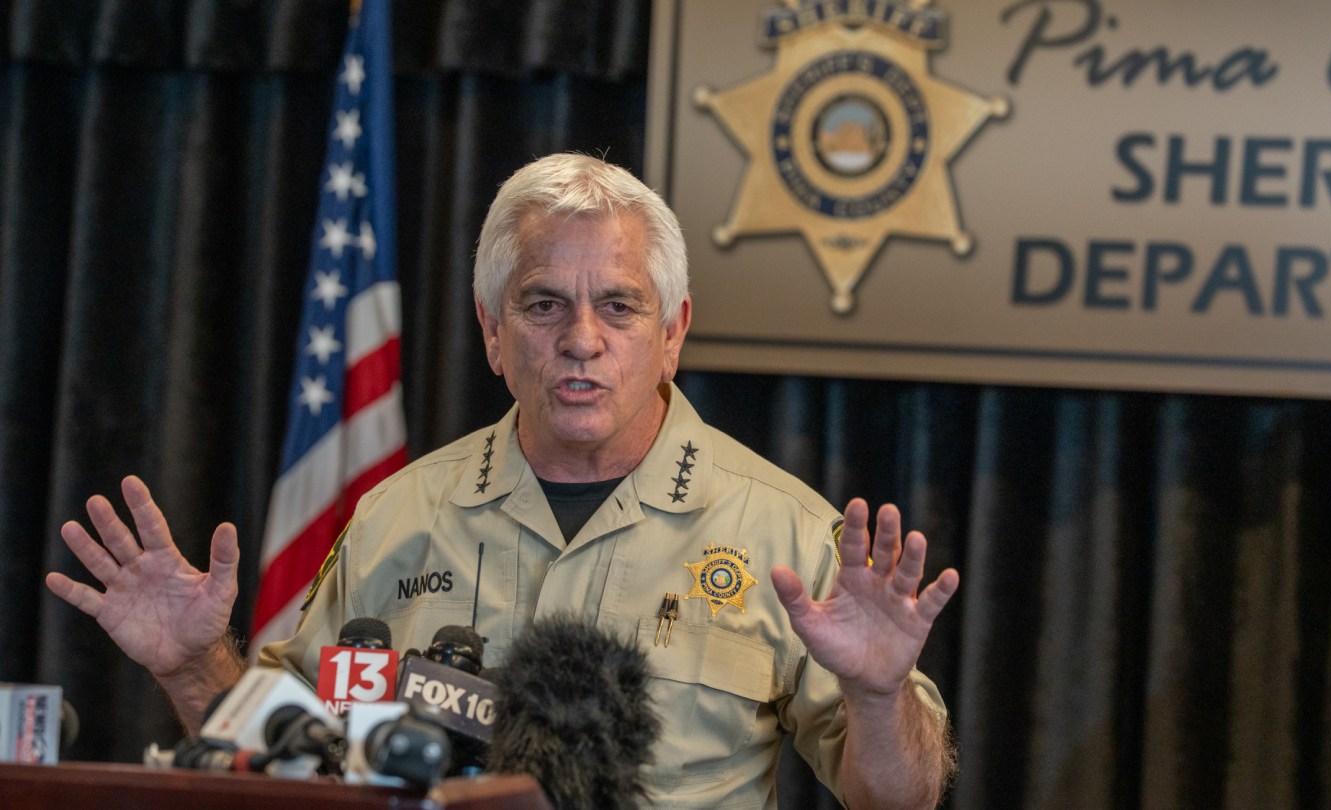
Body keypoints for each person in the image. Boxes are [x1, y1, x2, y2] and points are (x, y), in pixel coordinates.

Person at [46, 153, 960, 809]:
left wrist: (879, 696)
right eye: (543, 304)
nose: (582, 340)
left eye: (619, 306)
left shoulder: (784, 532)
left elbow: (901, 798)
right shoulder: (397, 515)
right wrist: (191, 664)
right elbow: (284, 758)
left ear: (673, 331)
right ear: (492, 330)